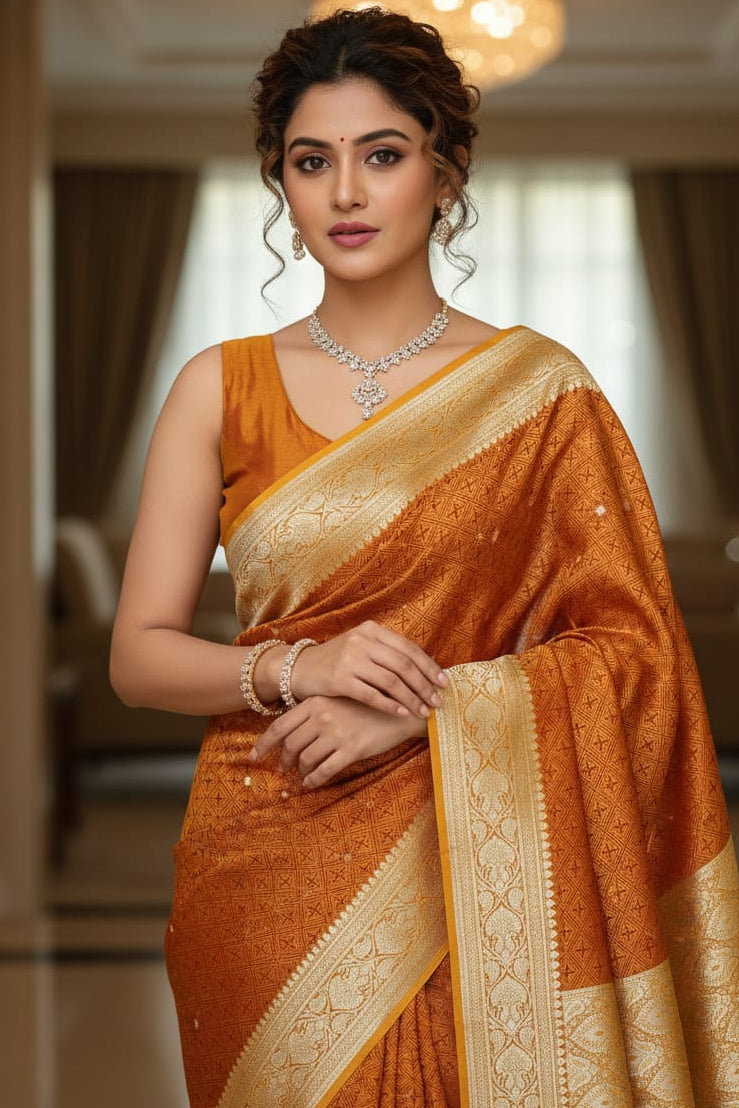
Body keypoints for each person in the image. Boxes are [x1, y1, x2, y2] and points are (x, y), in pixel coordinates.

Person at [110, 8, 739, 1107]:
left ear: (443, 174)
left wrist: (426, 710)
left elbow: (637, 655)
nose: (346, 193)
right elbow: (140, 658)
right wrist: (298, 667)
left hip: (476, 868)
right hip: (262, 862)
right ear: (281, 183)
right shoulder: (218, 386)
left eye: (382, 156)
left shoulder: (539, 391)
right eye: (313, 162)